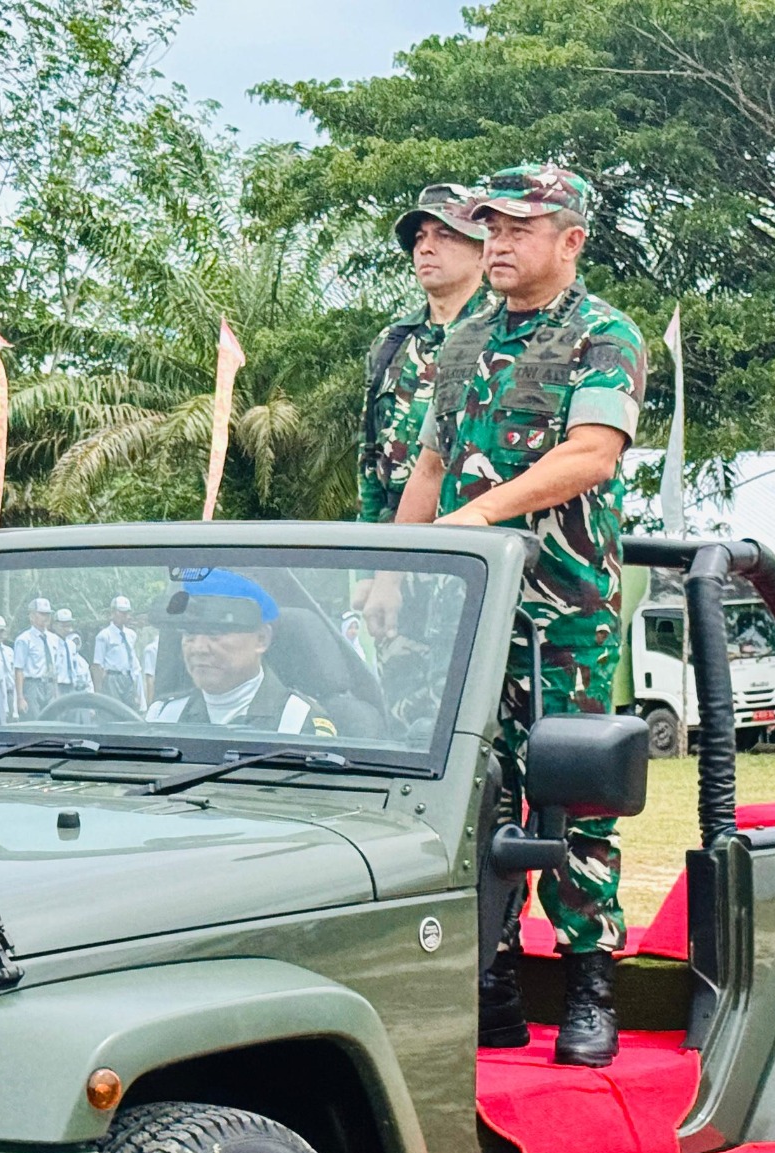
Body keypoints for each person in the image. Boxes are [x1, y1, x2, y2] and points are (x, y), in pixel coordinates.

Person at [383, 164, 647, 1068]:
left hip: (562, 607)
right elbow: (429, 465)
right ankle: (490, 976)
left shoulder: (603, 335)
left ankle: (588, 981)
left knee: (572, 794)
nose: (494, 243)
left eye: (517, 229)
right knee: (468, 795)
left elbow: (592, 457)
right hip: (464, 618)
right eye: (488, 227)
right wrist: (389, 570)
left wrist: (480, 515)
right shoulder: (461, 342)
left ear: (569, 240)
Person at [360, 182, 493, 523]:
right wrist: (366, 558)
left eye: (444, 236)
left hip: (471, 529)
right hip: (397, 536)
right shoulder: (392, 341)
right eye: (419, 238)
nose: (426, 249)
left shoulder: (503, 335)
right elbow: (370, 459)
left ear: (483, 250)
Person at [143, 573, 336, 735]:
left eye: (215, 633)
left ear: (261, 639)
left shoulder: (299, 722)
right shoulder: (164, 716)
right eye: (190, 633)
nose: (198, 648)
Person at [91, 596, 145, 710]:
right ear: (113, 613)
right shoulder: (104, 635)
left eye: (127, 613)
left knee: (130, 709)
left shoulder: (131, 635)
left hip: (128, 676)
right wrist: (98, 690)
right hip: (112, 677)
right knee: (114, 710)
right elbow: (97, 665)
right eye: (121, 612)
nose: (125, 616)